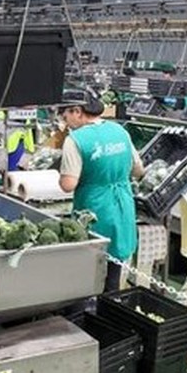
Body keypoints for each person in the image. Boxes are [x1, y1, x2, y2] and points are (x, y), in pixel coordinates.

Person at [57, 90, 145, 293]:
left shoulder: (76, 139)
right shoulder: (119, 131)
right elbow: (138, 170)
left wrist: (59, 176)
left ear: (77, 111)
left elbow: (68, 184)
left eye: (65, 115)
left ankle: (84, 310)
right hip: (122, 206)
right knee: (113, 273)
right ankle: (109, 307)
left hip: (95, 209)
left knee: (87, 275)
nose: (65, 121)